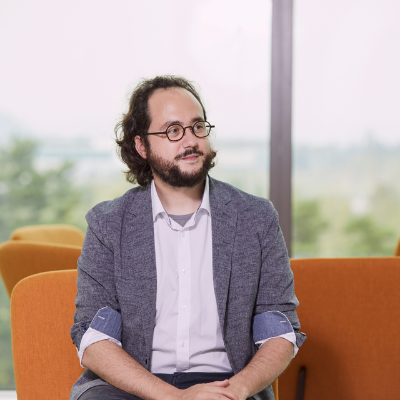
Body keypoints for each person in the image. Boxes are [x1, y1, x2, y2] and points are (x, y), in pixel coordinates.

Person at [70, 75, 306, 400]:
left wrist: (236, 390)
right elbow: (94, 337)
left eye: (197, 127)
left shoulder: (256, 217)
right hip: (130, 386)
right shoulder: (108, 223)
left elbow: (280, 330)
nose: (190, 141)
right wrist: (175, 397)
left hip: (227, 384)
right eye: (173, 130)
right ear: (141, 145)